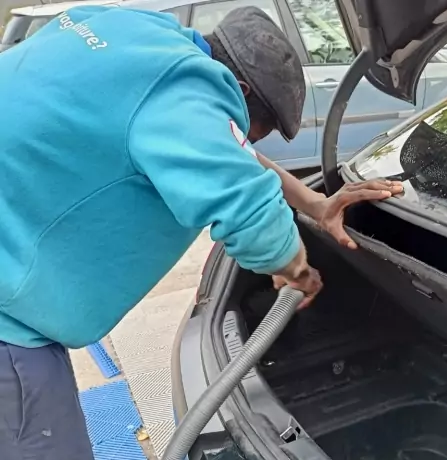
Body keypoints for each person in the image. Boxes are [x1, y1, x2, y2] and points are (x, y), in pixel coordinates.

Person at [0, 4, 403, 459]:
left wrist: (314, 204)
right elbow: (250, 212)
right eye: (259, 131)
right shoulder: (180, 92)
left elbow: (230, 149)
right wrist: (296, 272)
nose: (250, 143)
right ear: (242, 90)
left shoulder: (129, 32)